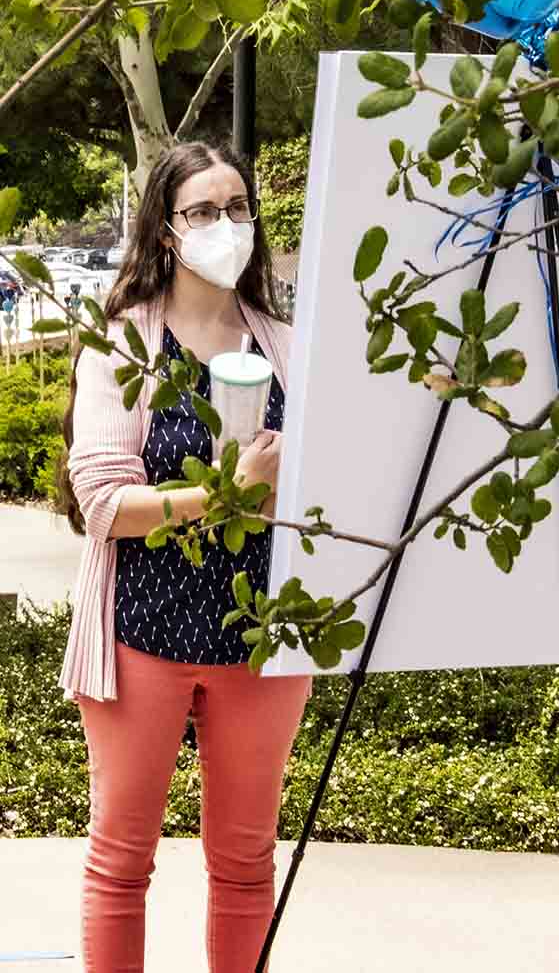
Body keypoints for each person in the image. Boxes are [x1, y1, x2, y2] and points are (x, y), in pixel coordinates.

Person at [58, 139, 311, 973]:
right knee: (121, 862)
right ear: (166, 230)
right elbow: (103, 506)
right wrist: (229, 496)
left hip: (261, 641)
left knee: (245, 866)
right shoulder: (124, 343)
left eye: (237, 208)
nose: (225, 225)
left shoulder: (285, 345)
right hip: (141, 637)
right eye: (203, 210)